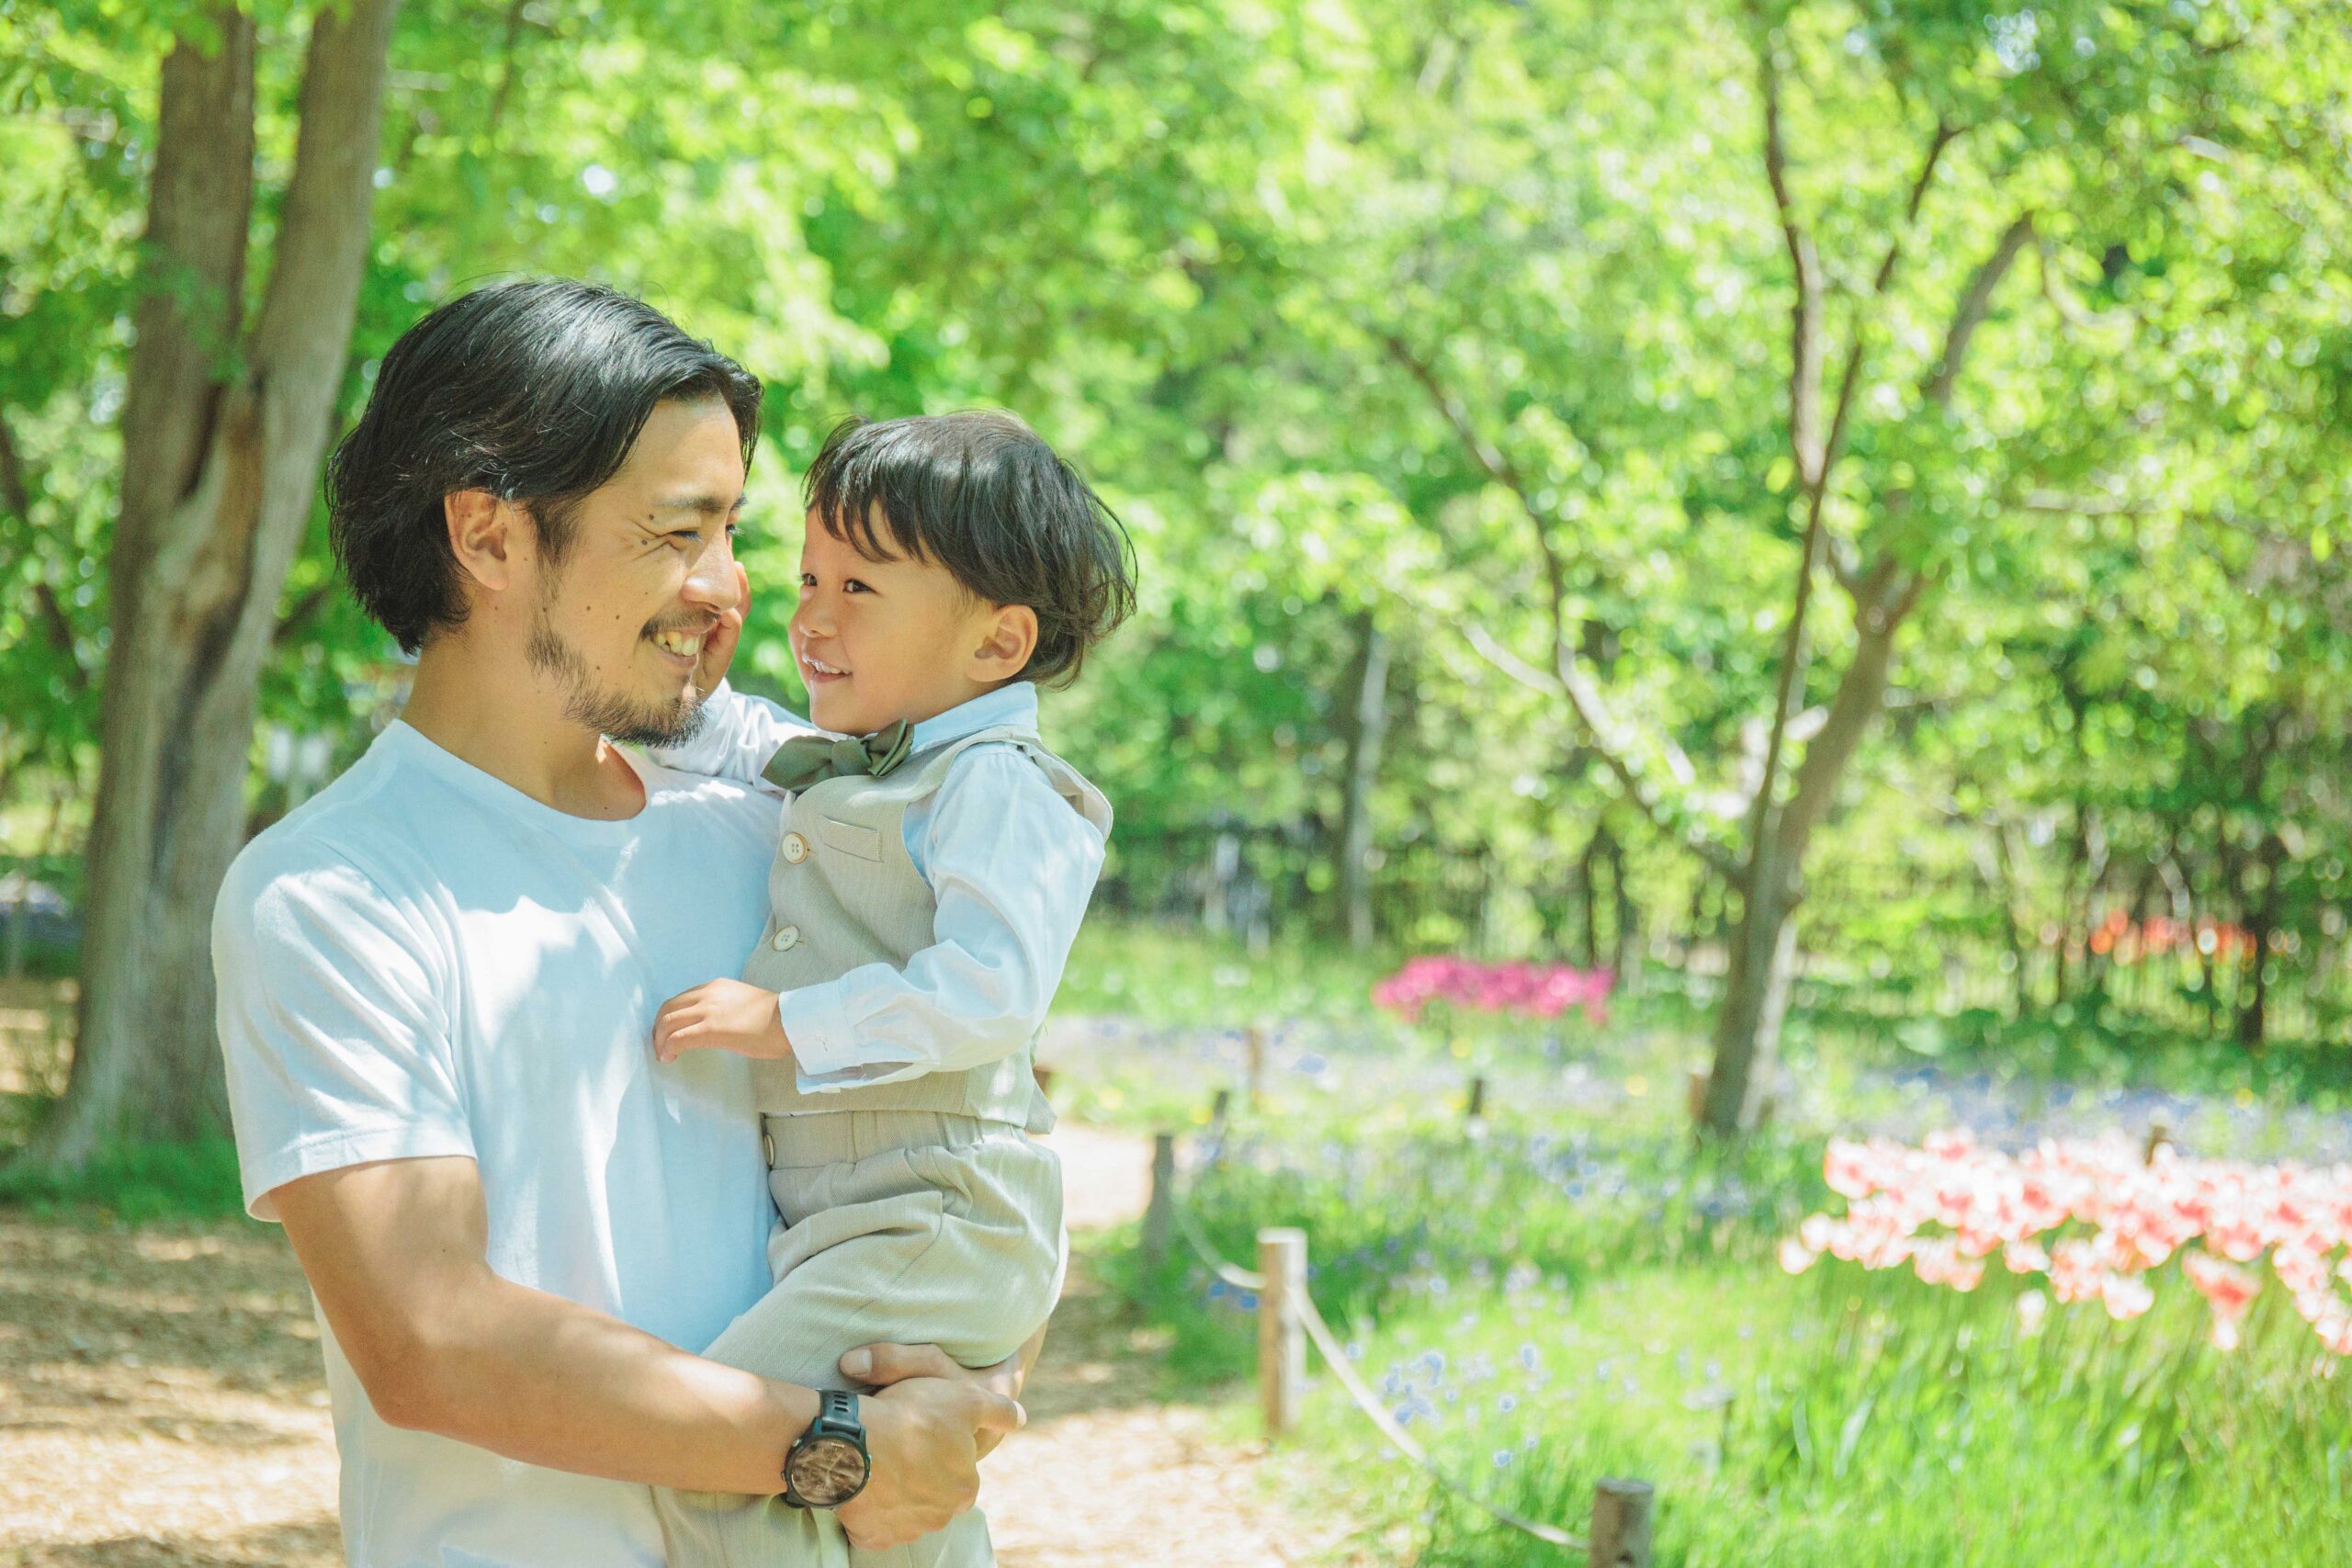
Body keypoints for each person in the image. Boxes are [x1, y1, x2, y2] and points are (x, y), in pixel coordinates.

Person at [212, 278, 1024, 1568]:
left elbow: (976, 1129)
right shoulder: (336, 891)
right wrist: (837, 1444)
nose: (730, 585)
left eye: (733, 530)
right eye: (676, 531)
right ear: (486, 537)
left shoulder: (788, 817)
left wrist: (957, 1386)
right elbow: (432, 1339)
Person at [638, 411, 1135, 1568]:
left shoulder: (1002, 785)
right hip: (876, 1220)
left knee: (717, 1453)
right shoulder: (875, 757)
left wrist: (786, 1024)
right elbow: (721, 737)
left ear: (998, 645)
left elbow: (992, 991)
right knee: (880, 1496)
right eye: (809, 575)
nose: (810, 616)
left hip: (939, 1214)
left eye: (859, 587)